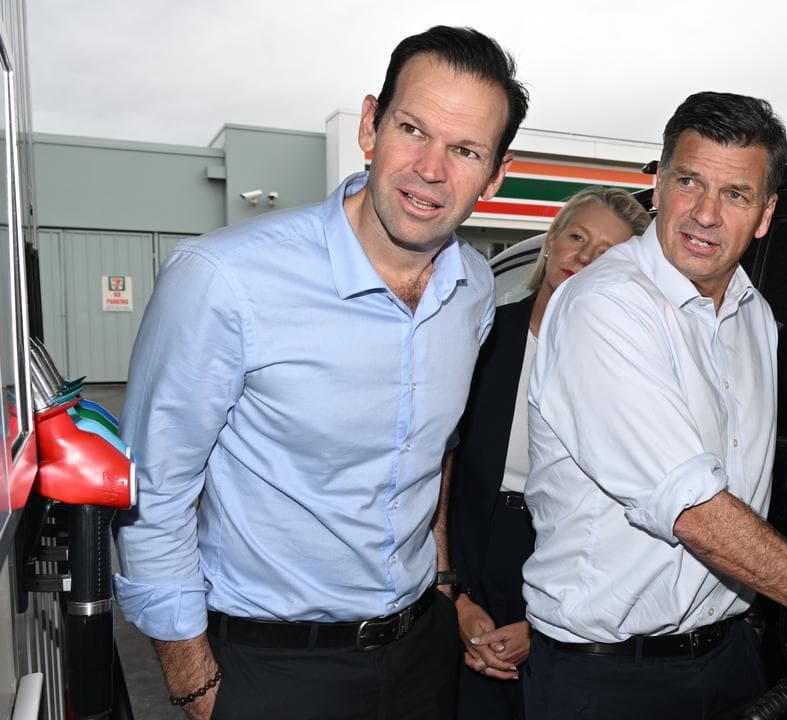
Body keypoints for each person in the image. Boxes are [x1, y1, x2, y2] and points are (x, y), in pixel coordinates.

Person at [112, 26, 528, 720]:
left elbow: (436, 456)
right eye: (413, 129)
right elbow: (152, 495)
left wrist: (444, 582)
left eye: (465, 150)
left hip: (422, 657)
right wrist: (196, 687)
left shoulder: (474, 290)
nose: (430, 169)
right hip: (271, 670)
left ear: (495, 174)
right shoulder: (223, 279)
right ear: (370, 125)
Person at [520, 91, 787, 720]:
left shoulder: (754, 314)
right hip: (609, 678)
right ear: (659, 185)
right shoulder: (606, 306)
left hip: (729, 656)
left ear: (765, 213)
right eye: (689, 182)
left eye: (735, 194)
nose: (705, 214)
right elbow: (694, 509)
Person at [448, 186, 651, 719]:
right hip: (472, 549)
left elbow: (624, 509)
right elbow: (437, 475)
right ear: (551, 241)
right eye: (577, 237)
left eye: (605, 252)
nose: (583, 257)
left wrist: (543, 628)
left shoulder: (626, 364)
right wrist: (455, 598)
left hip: (568, 559)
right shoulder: (483, 337)